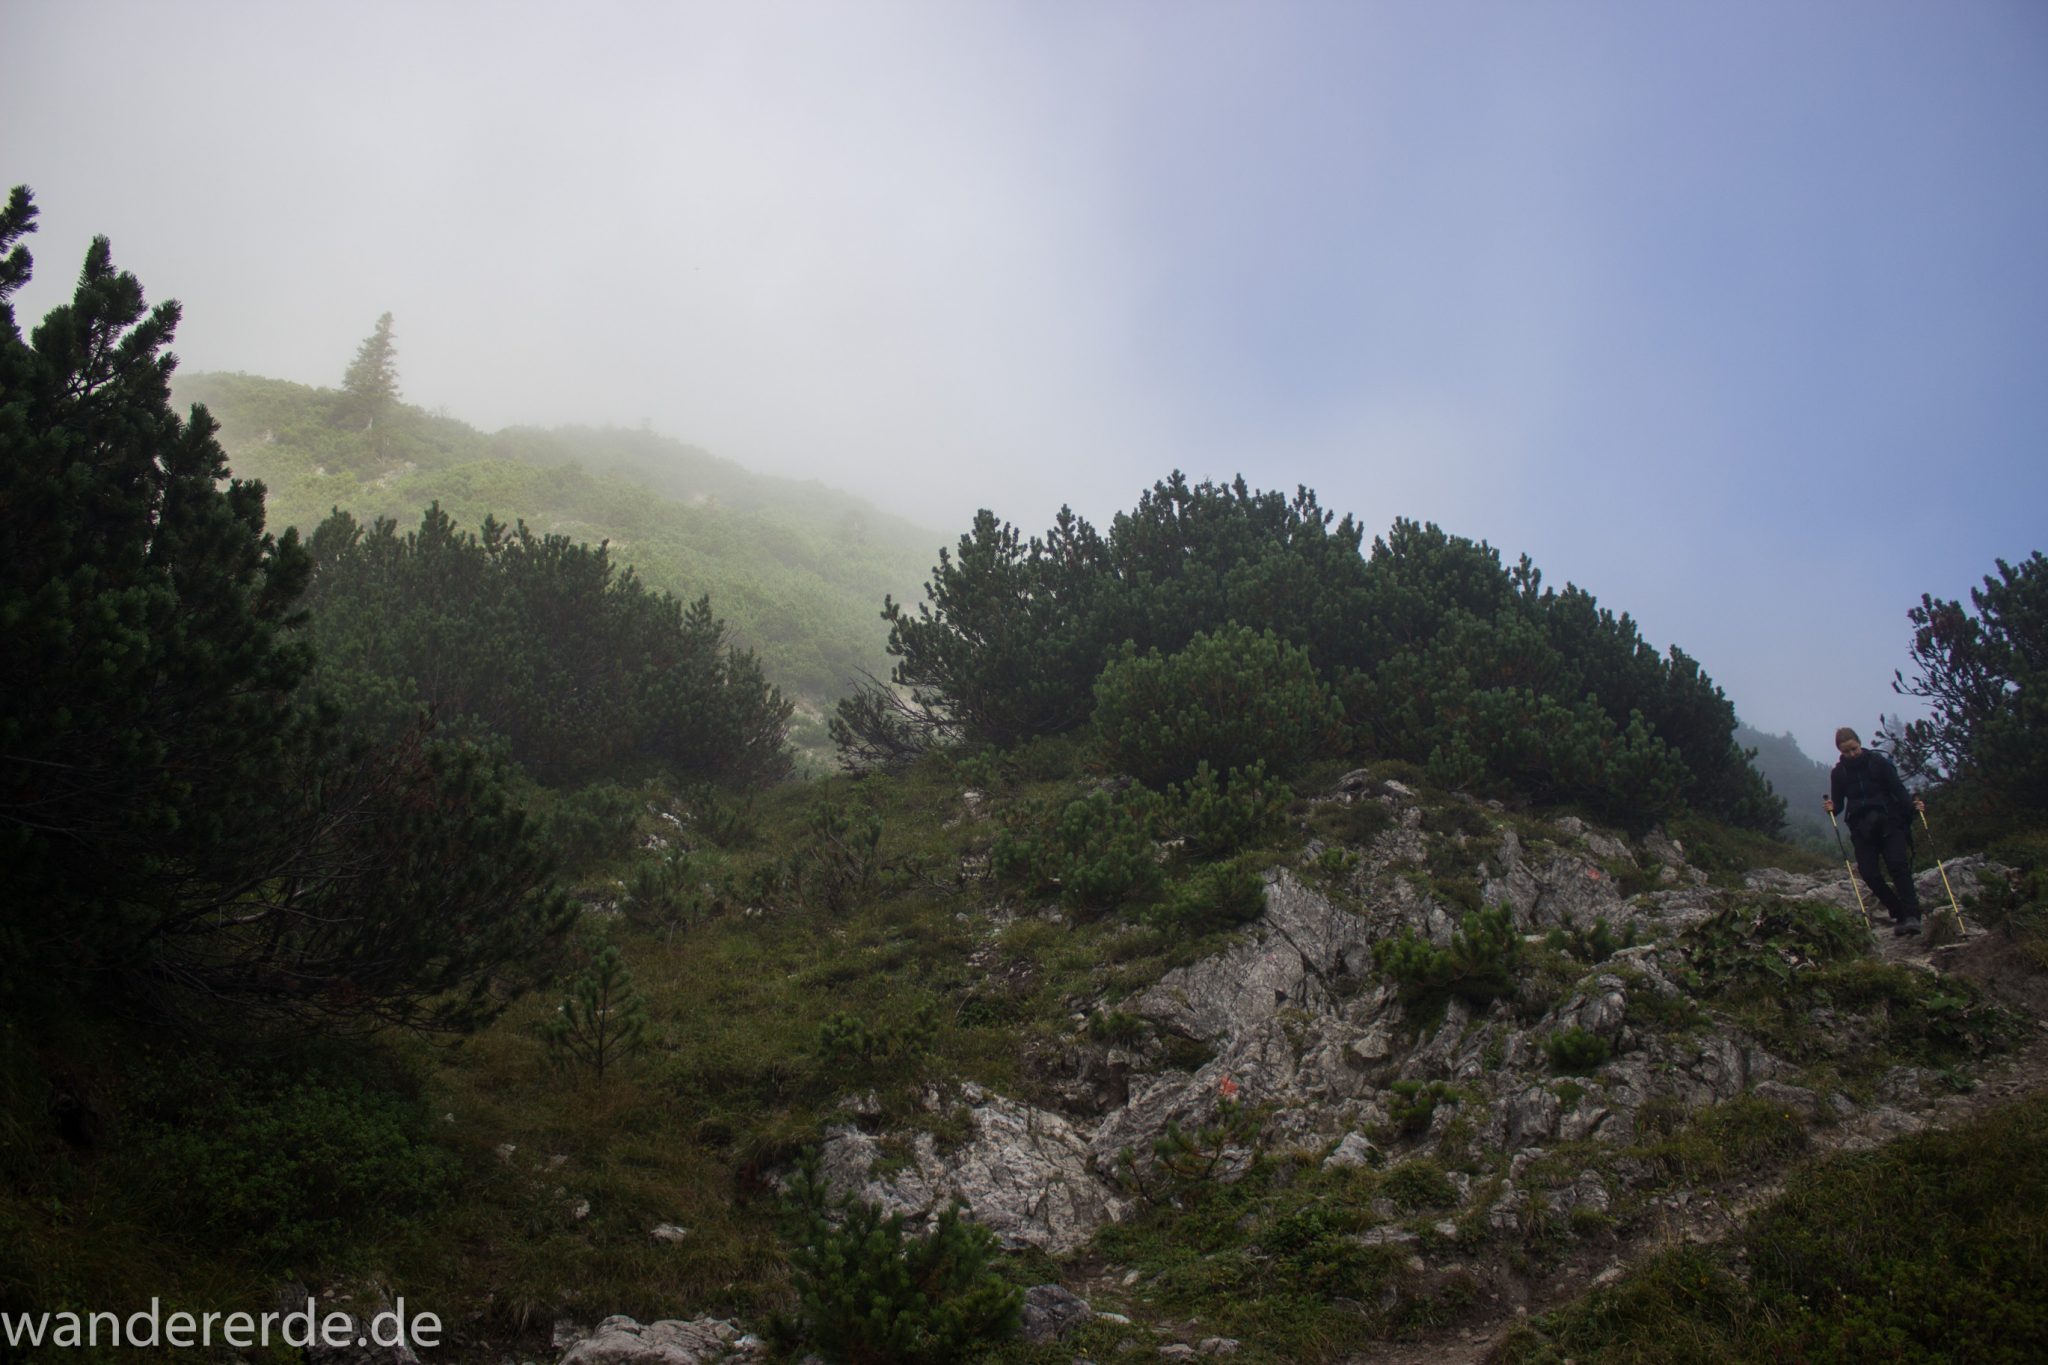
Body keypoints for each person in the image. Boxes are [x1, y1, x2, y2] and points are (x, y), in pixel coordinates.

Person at [1822, 726, 1926, 935]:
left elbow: (1897, 789)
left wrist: (1914, 807)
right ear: (1840, 751)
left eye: (1854, 748)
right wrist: (1832, 808)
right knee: (1869, 873)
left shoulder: (1878, 763)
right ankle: (1899, 912)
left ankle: (1912, 915)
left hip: (1890, 821)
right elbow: (1839, 805)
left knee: (1898, 866)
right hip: (1861, 828)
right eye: (1846, 751)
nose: (1852, 754)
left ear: (1860, 744)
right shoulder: (1839, 773)